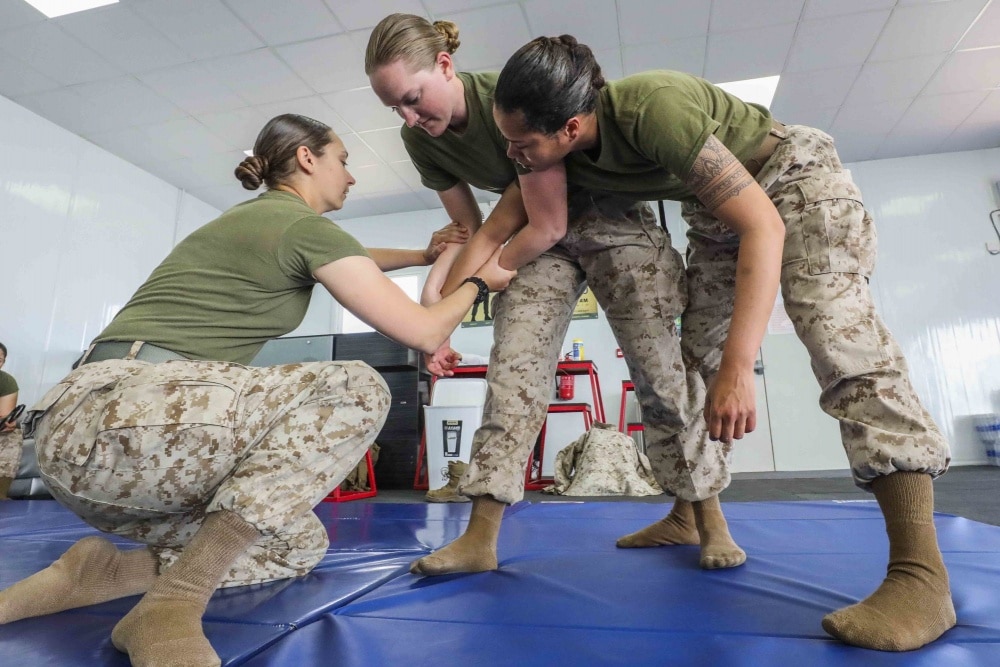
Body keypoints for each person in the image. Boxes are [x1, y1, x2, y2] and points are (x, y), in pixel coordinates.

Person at [488, 35, 954, 652]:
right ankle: (687, 512)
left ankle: (921, 576)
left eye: (523, 143)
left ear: (571, 126)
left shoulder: (652, 107)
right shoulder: (556, 155)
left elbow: (763, 222)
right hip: (715, 214)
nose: (514, 155)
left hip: (791, 182)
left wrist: (741, 368)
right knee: (688, 369)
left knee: (840, 342)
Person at [0, 113, 514, 667]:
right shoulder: (301, 227)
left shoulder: (265, 223)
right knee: (357, 387)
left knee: (298, 543)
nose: (351, 176)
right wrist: (480, 282)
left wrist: (419, 256)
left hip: (79, 439)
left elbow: (349, 257)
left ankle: (103, 575)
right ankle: (174, 601)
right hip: (123, 414)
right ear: (307, 158)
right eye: (343, 159)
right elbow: (423, 329)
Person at [366, 13, 745, 576]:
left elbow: (542, 214)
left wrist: (458, 295)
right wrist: (438, 315)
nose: (409, 118)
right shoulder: (420, 140)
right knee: (513, 372)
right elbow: (476, 231)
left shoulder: (511, 95)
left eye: (414, 99)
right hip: (531, 237)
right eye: (394, 107)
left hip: (607, 219)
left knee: (661, 372)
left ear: (446, 66)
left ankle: (703, 517)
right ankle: (481, 536)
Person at [0, 342, 21, 499]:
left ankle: (1, 494)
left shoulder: (6, 381)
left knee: (12, 435)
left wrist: (8, 423)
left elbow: (5, 414)